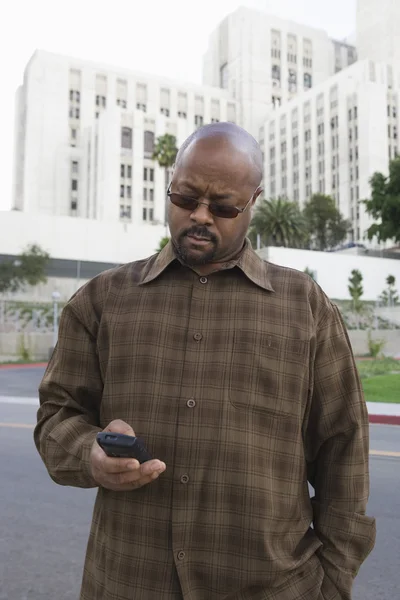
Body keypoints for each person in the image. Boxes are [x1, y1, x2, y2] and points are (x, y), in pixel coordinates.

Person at [34, 122, 376, 600]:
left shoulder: (305, 307)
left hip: (273, 587)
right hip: (127, 582)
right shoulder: (101, 300)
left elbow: (344, 450)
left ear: (253, 200)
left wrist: (334, 582)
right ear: (170, 184)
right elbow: (56, 415)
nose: (200, 216)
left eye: (223, 207)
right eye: (185, 198)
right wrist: (87, 452)